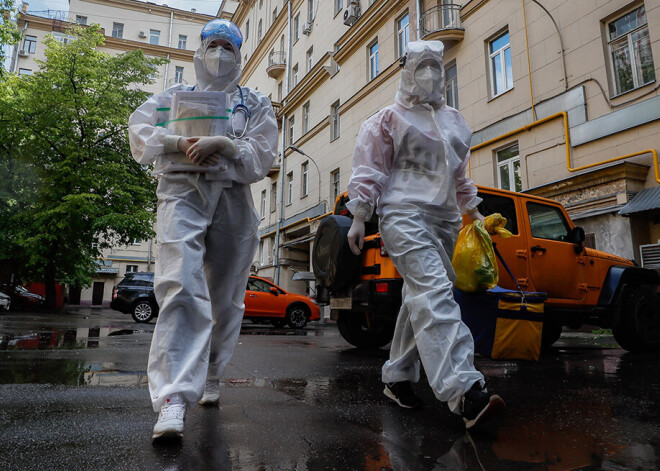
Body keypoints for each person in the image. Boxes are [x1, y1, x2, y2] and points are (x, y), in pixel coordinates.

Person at [128, 19, 277, 440]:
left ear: (239, 54)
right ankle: (173, 399)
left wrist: (228, 145)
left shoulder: (256, 103)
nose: (219, 53)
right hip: (182, 192)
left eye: (227, 47)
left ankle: (212, 374)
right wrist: (176, 142)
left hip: (232, 199)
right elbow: (139, 132)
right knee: (179, 284)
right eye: (212, 44)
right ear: (199, 50)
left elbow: (262, 157)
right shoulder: (174, 97)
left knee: (225, 298)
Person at [346, 40, 504, 430]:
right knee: (434, 291)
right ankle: (464, 391)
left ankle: (397, 377)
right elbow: (370, 169)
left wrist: (475, 215)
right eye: (422, 66)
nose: (431, 74)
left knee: (421, 297)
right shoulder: (388, 119)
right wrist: (359, 215)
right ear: (407, 71)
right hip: (403, 214)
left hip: (446, 218)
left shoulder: (453, 120)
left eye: (436, 65)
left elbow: (460, 175)